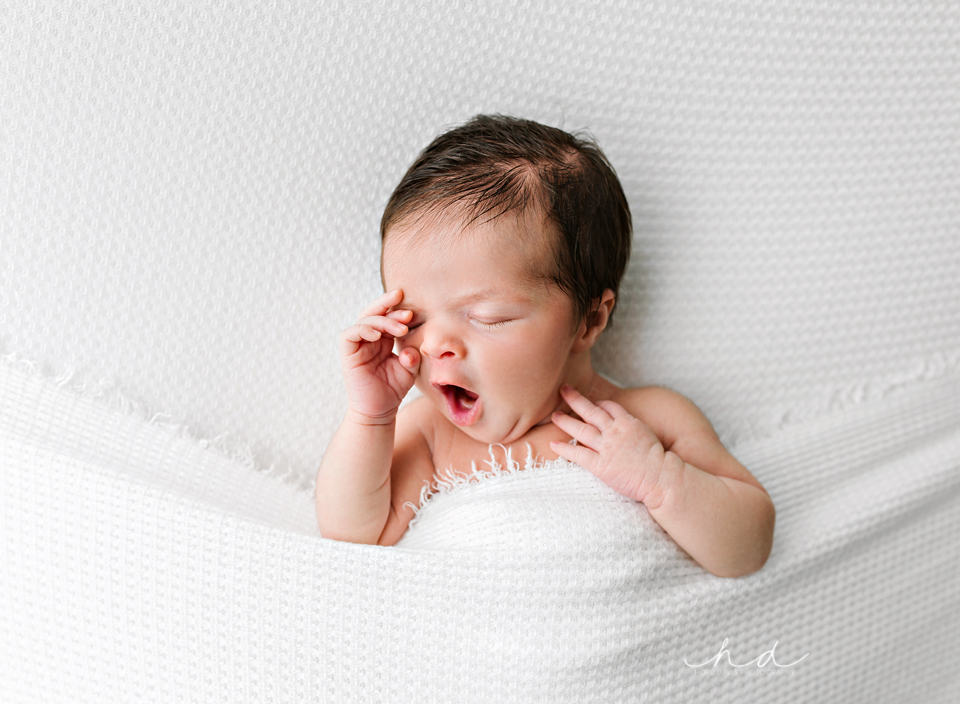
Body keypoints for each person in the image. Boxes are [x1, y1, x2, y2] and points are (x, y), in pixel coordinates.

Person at [316, 114, 775, 578]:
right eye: (411, 319)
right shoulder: (432, 436)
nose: (434, 344)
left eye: (487, 316)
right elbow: (354, 536)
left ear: (589, 320)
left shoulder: (650, 420)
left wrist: (659, 480)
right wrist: (370, 416)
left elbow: (749, 545)